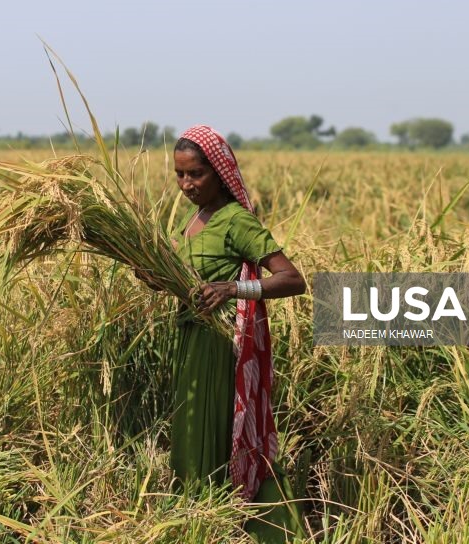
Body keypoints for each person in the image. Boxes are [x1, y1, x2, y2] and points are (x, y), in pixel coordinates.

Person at [140, 125, 306, 542]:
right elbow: (191, 282)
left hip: (222, 347)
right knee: (194, 430)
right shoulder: (193, 219)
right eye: (179, 175)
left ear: (219, 171)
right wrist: (152, 275)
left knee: (223, 434)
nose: (186, 184)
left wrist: (234, 288)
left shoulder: (236, 221)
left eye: (196, 173)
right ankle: (202, 525)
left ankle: (266, 529)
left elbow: (292, 279)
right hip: (192, 341)